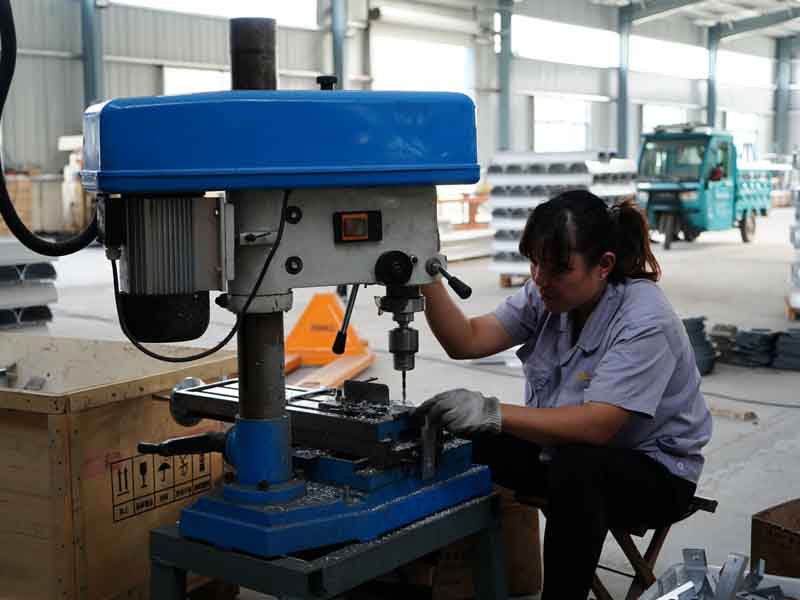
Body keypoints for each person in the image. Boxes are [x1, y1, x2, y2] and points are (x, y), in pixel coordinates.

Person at [416, 190, 712, 600]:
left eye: (557, 268)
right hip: (562, 453)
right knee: (458, 437)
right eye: (534, 263)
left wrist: (493, 411)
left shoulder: (645, 320)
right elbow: (466, 339)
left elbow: (597, 425)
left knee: (578, 468)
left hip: (656, 473)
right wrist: (423, 275)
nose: (540, 278)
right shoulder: (548, 292)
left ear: (604, 265)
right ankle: (423, 578)